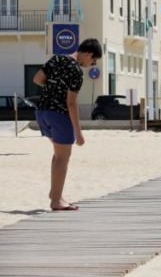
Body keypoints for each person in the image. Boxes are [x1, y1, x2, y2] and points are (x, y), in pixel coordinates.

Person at [33, 38, 102, 211]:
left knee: (58, 154)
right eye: (93, 60)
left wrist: (52, 89)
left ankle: (55, 193)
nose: (92, 64)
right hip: (59, 114)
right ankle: (56, 200)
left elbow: (37, 79)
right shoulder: (76, 71)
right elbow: (71, 103)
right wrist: (78, 132)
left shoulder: (56, 59)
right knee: (63, 156)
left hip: (42, 112)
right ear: (87, 54)